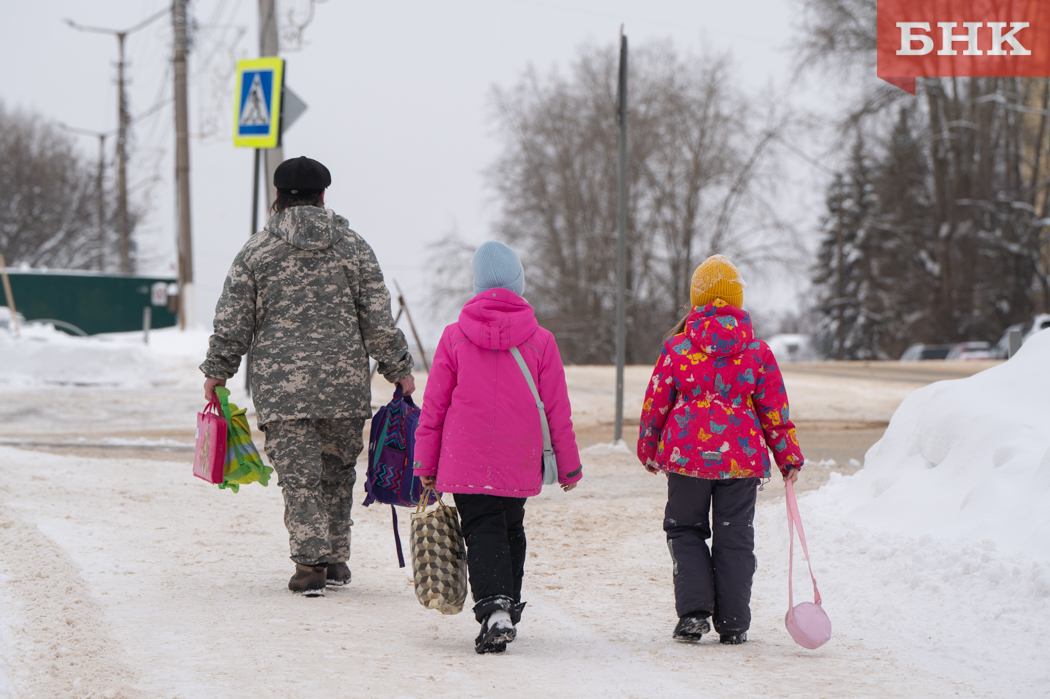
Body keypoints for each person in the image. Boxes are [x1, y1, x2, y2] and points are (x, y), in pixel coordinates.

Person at [200, 156, 415, 597]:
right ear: (323, 197)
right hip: (343, 384)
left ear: (277, 198)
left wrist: (218, 372)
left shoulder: (256, 252)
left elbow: (233, 320)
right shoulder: (354, 247)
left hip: (282, 390)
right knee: (338, 472)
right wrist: (399, 369)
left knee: (299, 478)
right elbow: (378, 320)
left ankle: (309, 564)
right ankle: (334, 558)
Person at [413, 241, 582, 654]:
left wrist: (425, 463)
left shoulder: (454, 338)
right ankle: (504, 606)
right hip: (518, 455)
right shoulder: (541, 340)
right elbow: (557, 407)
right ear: (519, 285)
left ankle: (496, 609)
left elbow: (434, 406)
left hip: (464, 457)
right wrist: (569, 465)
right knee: (510, 527)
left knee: (482, 527)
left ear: (476, 286)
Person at [637, 254, 803, 645]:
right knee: (734, 537)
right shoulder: (758, 352)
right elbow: (774, 411)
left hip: (687, 459)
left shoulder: (677, 348)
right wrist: (788, 455)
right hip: (741, 461)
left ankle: (694, 614)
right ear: (737, 302)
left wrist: (649, 446)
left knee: (685, 530)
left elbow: (656, 402)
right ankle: (733, 622)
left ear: (695, 301)